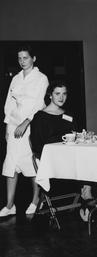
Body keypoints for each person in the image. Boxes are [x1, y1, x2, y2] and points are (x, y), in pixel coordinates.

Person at [30, 81, 95, 221]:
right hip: (53, 161)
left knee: (92, 159)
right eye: (57, 93)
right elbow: (36, 146)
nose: (61, 97)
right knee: (85, 164)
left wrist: (83, 137)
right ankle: (87, 197)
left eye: (64, 93)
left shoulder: (69, 115)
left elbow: (76, 136)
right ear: (50, 95)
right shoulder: (40, 117)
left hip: (71, 158)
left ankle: (86, 193)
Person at [0, 46, 49, 217]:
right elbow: (9, 102)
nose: (22, 61)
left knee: (31, 163)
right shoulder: (16, 79)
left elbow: (38, 104)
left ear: (33, 58)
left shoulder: (41, 78)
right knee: (11, 163)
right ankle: (9, 204)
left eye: (25, 58)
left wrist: (26, 122)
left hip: (31, 125)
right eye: (19, 58)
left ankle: (36, 200)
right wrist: (8, 126)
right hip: (14, 126)